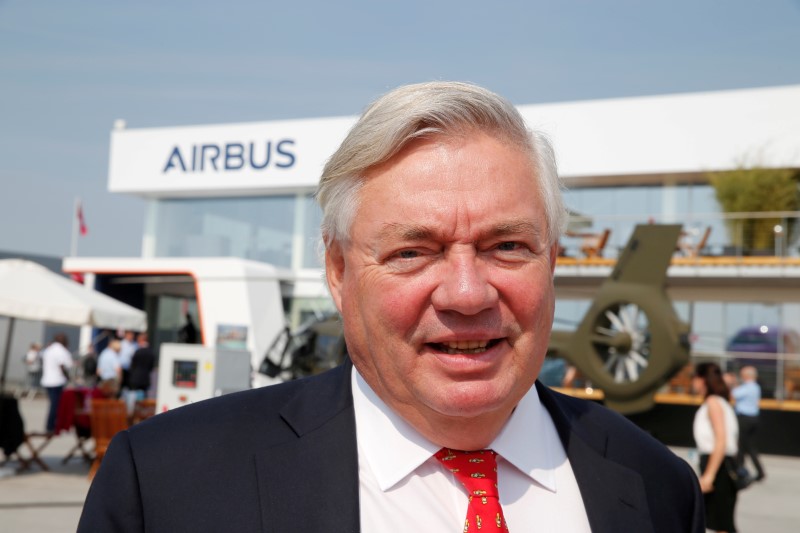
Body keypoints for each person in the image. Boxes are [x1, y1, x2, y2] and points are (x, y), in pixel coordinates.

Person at [79, 82, 703, 532]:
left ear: (553, 262)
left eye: (507, 246)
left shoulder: (658, 487)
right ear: (339, 270)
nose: (466, 294)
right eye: (413, 252)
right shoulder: (164, 487)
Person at [692, 362, 740, 533]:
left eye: (695, 378)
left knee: (722, 525)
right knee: (720, 523)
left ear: (703, 379)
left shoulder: (713, 402)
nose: (693, 383)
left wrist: (709, 476)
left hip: (718, 467)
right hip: (720, 465)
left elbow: (721, 441)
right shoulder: (721, 402)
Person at [732, 365, 765, 481]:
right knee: (750, 447)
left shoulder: (748, 387)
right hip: (753, 418)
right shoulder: (755, 387)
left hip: (744, 418)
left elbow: (734, 394)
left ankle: (739, 470)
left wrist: (735, 384)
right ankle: (760, 472)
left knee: (740, 445)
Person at [39, 333, 72, 433]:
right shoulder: (61, 351)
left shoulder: (49, 350)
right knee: (55, 405)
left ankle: (51, 425)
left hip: (47, 380)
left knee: (53, 404)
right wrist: (68, 377)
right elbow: (62, 365)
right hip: (56, 381)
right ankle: (51, 426)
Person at [128, 332, 156, 396]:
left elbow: (132, 365)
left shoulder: (137, 352)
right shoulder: (151, 352)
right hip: (145, 378)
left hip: (135, 378)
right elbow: (151, 366)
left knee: (134, 398)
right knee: (144, 398)